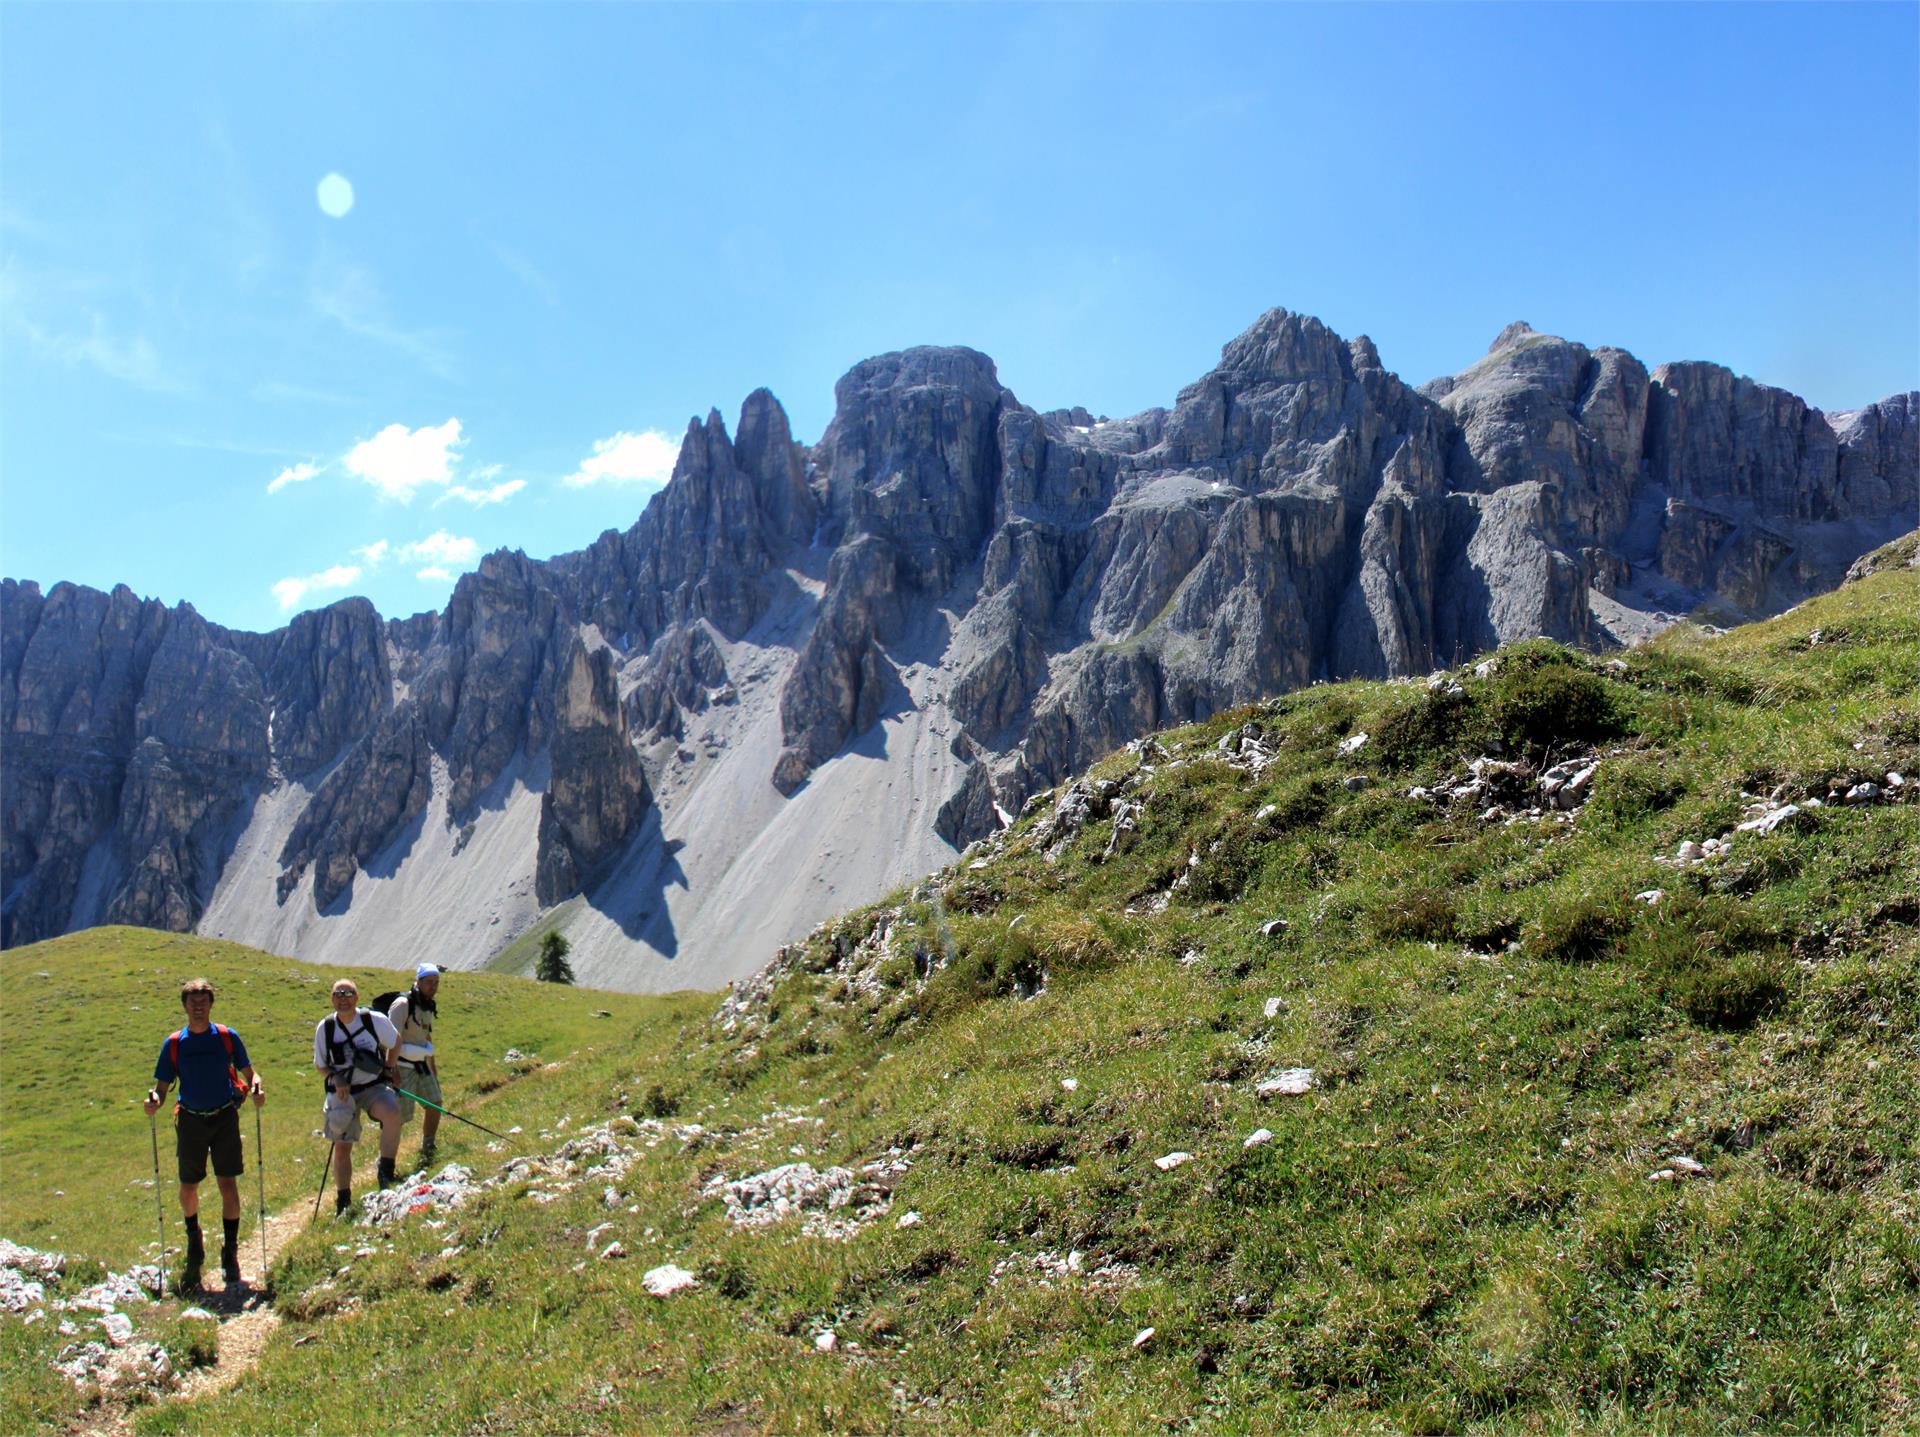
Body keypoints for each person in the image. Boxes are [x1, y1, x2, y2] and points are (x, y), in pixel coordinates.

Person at [143, 978, 265, 1290]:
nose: (198, 1008)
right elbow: (161, 1088)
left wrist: (256, 1087)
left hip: (224, 1116)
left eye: (203, 1002)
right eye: (193, 1003)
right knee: (188, 1187)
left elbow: (251, 1074)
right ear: (185, 1006)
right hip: (191, 1121)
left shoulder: (226, 1037)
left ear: (210, 1004)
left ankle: (230, 1251)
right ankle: (194, 1238)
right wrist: (154, 1101)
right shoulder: (174, 1044)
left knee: (228, 1184)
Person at [313, 978, 402, 1213]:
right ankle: (343, 1200)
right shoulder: (326, 1028)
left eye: (348, 993)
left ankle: (386, 1172)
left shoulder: (374, 1020)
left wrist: (389, 1069)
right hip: (342, 1093)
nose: (343, 998)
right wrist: (336, 1078)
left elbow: (396, 1041)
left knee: (392, 1113)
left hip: (372, 1086)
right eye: (338, 994)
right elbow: (321, 1065)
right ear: (332, 999)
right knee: (342, 1147)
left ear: (357, 997)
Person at [386, 964, 443, 1167]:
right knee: (399, 1117)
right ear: (418, 981)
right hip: (401, 1067)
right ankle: (387, 1160)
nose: (433, 987)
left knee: (435, 1102)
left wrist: (432, 1067)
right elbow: (390, 1038)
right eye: (429, 982)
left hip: (421, 1066)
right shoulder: (402, 1005)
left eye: (436, 983)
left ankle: (428, 1146)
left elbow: (426, 1036)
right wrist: (390, 1071)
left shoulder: (428, 1004)